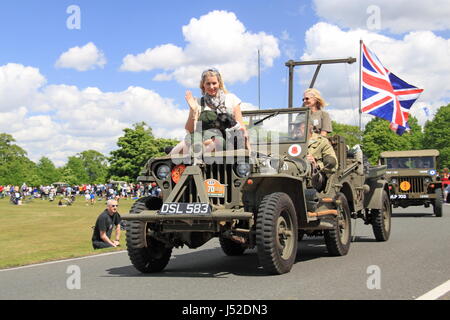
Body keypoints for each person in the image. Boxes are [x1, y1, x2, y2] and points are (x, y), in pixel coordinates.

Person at [171, 68, 249, 155]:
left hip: (224, 139)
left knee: (213, 144)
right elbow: (190, 130)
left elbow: (242, 129)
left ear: (219, 83)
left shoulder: (231, 99)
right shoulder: (198, 102)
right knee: (181, 147)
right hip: (200, 138)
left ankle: (198, 158)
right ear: (203, 85)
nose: (211, 87)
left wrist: (247, 151)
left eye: (214, 83)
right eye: (208, 84)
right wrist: (193, 110)